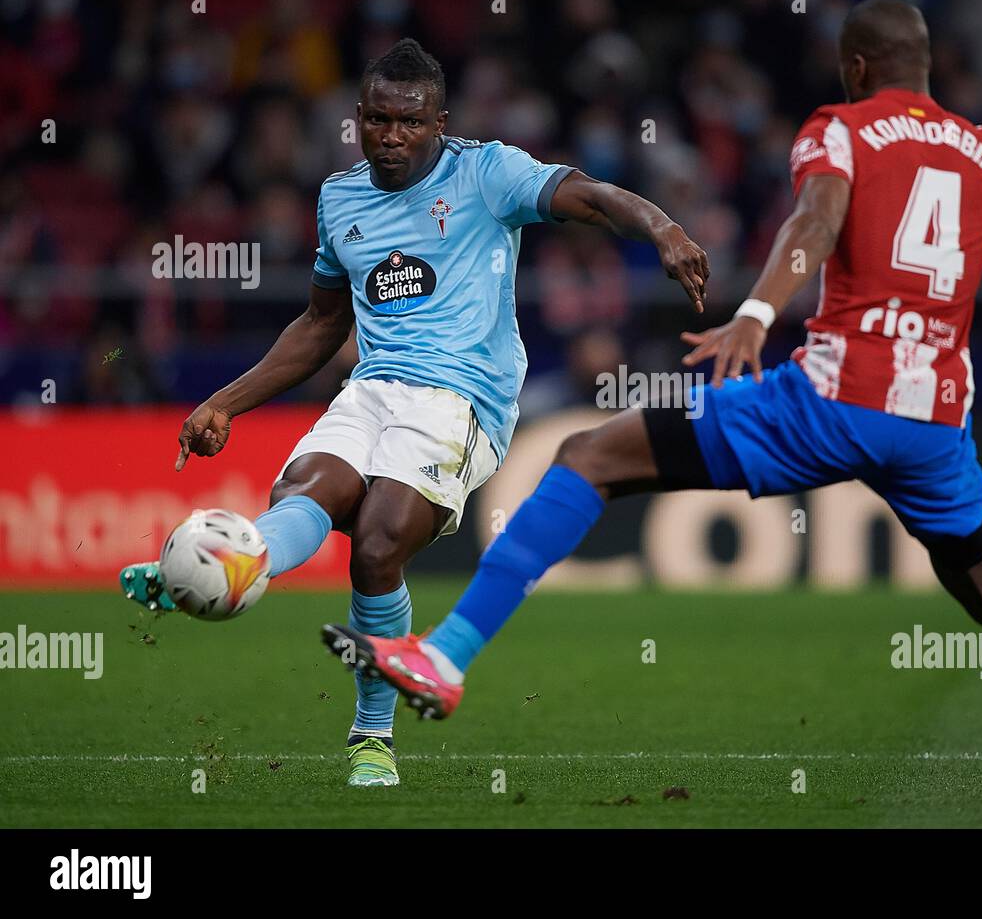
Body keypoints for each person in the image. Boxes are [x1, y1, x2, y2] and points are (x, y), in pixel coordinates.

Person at [326, 1, 982, 814]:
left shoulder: (840, 129)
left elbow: (815, 219)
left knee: (591, 456)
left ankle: (446, 653)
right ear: (924, 68)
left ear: (855, 67)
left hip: (831, 398)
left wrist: (758, 313)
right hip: (935, 422)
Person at [119, 38, 709, 788]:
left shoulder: (489, 172)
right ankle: (217, 570)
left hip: (463, 399)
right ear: (357, 118)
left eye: (407, 122)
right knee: (304, 488)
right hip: (371, 388)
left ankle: (371, 734)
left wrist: (662, 227)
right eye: (374, 120)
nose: (389, 137)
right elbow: (321, 324)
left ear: (440, 123)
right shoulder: (341, 198)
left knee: (377, 541)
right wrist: (225, 401)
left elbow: (589, 194)